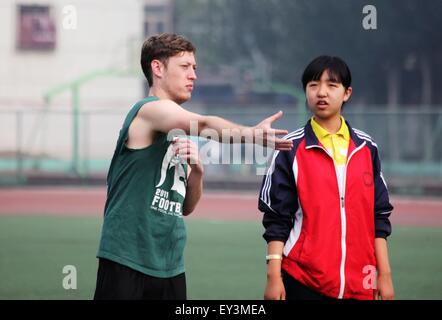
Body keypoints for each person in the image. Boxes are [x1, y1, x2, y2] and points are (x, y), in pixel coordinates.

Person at [93, 33, 292, 300]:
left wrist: (197, 171)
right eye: (185, 67)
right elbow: (207, 124)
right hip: (127, 259)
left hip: (170, 264)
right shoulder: (149, 111)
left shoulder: (176, 130)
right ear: (158, 68)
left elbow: (185, 207)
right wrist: (251, 134)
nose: (193, 76)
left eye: (195, 68)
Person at [259, 55, 394, 300]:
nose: (322, 92)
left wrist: (384, 275)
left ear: (346, 93)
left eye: (332, 85)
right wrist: (274, 277)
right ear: (306, 92)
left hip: (360, 283)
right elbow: (277, 218)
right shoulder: (289, 148)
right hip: (303, 280)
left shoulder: (366, 148)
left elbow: (379, 216)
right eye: (313, 85)